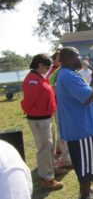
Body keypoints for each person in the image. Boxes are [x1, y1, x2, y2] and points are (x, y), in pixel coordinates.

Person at [55, 47, 93, 199]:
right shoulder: (68, 75)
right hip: (82, 130)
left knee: (83, 163)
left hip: (79, 128)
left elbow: (84, 93)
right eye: (77, 56)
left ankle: (87, 191)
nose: (80, 59)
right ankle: (85, 194)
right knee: (85, 166)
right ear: (68, 58)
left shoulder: (67, 74)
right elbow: (87, 97)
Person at [20, 54, 64, 190]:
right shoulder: (33, 80)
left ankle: (50, 170)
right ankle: (46, 178)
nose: (48, 69)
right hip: (39, 119)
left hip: (46, 117)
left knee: (49, 146)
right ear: (39, 65)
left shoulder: (40, 77)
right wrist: (35, 112)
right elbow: (29, 101)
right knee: (45, 148)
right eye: (47, 66)